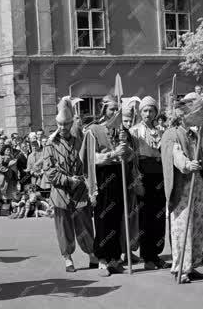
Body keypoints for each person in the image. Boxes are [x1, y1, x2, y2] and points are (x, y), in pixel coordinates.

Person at [81, 94, 135, 277]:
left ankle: (114, 257)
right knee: (103, 218)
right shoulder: (93, 130)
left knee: (117, 217)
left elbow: (131, 156)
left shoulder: (122, 130)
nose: (115, 112)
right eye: (111, 109)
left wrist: (125, 148)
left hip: (119, 176)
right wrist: (112, 154)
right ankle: (102, 258)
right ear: (103, 110)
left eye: (117, 109)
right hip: (103, 177)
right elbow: (89, 158)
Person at [160, 95, 203, 283]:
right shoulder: (172, 133)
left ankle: (192, 264)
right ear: (183, 116)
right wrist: (187, 165)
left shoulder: (195, 134)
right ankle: (180, 267)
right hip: (183, 186)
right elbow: (175, 155)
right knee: (183, 227)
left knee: (197, 224)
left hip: (197, 185)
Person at [44, 97, 97, 272]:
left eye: (66, 124)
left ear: (70, 124)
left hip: (80, 190)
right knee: (63, 226)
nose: (63, 128)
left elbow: (87, 162)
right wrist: (67, 180)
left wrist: (85, 182)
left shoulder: (79, 140)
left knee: (85, 223)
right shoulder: (50, 144)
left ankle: (91, 254)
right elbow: (49, 171)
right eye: (60, 124)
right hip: (60, 192)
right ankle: (67, 257)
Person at [129, 96, 168, 270]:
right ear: (140, 112)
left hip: (160, 176)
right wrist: (137, 181)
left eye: (151, 110)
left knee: (159, 216)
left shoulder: (161, 131)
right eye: (145, 110)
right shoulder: (134, 131)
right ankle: (147, 257)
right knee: (146, 217)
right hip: (144, 176)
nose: (148, 113)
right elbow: (133, 160)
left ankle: (156, 254)